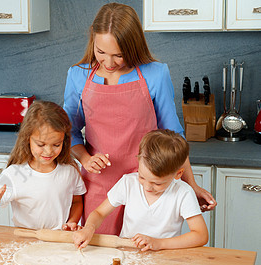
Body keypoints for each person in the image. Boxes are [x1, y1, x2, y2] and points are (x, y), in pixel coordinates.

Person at [63, 2, 215, 235]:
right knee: (101, 260)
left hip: (149, 184)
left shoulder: (155, 74)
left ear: (133, 47)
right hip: (99, 186)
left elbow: (174, 136)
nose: (109, 63)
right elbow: (69, 131)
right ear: (93, 40)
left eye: (119, 55)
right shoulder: (78, 76)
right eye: (101, 52)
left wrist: (191, 185)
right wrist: (84, 158)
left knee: (145, 258)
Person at [73, 129, 209, 251]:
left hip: (165, 257)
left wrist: (159, 244)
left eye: (157, 183)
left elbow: (201, 235)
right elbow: (99, 213)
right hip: (127, 254)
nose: (147, 187)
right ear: (138, 162)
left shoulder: (183, 193)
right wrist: (88, 229)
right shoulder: (128, 183)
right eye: (142, 177)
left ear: (178, 174)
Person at [0, 100, 86, 230]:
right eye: (41, 145)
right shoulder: (14, 175)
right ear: (27, 139)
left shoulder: (69, 171)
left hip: (59, 240)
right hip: (25, 241)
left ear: (64, 140)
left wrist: (72, 222)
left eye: (56, 145)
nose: (49, 151)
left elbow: (76, 201)